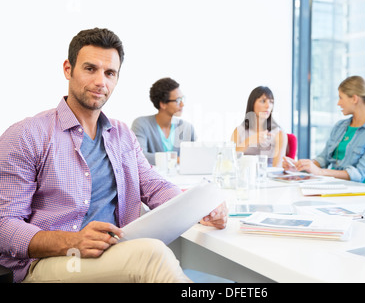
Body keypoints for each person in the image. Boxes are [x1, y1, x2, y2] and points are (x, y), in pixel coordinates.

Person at [0, 28, 227, 283]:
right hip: (50, 262)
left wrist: (199, 208)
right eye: (90, 69)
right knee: (152, 256)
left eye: (110, 73)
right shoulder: (26, 135)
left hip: (113, 254)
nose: (101, 81)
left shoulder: (122, 135)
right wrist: (72, 241)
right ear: (68, 69)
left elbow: (152, 185)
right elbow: (4, 225)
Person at [283, 75, 365, 183]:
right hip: (331, 183)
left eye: (341, 97)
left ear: (354, 99)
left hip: (356, 189)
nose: (338, 103)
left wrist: (320, 172)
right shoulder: (340, 126)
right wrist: (299, 167)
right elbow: (323, 158)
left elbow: (359, 174)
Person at [131, 77, 196, 165]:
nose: (182, 104)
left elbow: (196, 156)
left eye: (182, 99)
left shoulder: (187, 128)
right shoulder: (141, 124)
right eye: (178, 100)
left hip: (183, 178)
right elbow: (139, 156)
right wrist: (175, 159)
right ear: (163, 104)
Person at [231, 86, 287, 167]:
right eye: (263, 101)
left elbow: (277, 168)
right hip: (244, 177)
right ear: (252, 103)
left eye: (271, 102)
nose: (268, 106)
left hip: (267, 177)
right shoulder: (239, 131)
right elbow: (230, 161)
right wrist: (248, 141)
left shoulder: (279, 134)